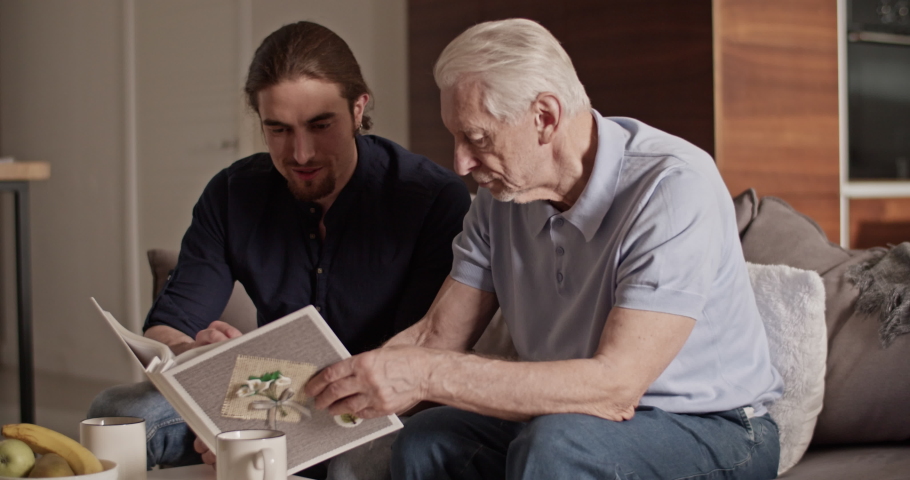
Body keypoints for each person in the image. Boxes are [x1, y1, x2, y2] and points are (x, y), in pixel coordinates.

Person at [304, 18, 784, 480]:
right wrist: (330, 401)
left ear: (545, 117)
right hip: (566, 418)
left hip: (711, 428)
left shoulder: (671, 187)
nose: (461, 163)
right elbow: (436, 337)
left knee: (557, 446)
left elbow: (616, 387)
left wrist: (429, 376)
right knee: (426, 441)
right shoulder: (501, 198)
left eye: (476, 138)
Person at [87, 21, 470, 479]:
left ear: (358, 108)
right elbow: (166, 330)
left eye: (320, 125)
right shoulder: (232, 194)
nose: (301, 153)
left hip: (377, 407)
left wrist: (264, 435)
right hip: (264, 396)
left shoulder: (430, 198)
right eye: (279, 129)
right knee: (118, 412)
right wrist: (197, 357)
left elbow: (422, 359)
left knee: (354, 463)